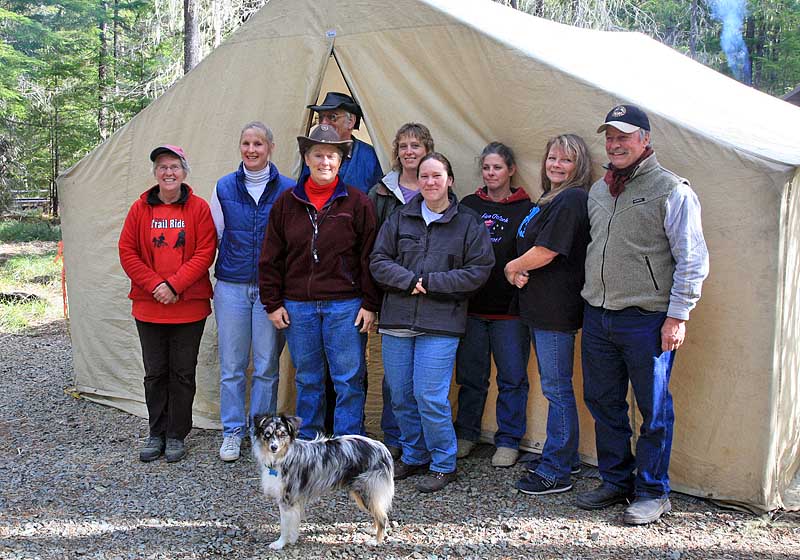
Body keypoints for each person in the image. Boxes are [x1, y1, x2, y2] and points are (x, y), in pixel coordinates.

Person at [576, 105, 709, 525]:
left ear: (645, 140)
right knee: (603, 401)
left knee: (652, 409)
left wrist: (678, 315)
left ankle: (653, 491)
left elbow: (692, 259)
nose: (615, 144)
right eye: (610, 137)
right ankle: (616, 480)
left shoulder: (673, 190)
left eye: (624, 137)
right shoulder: (600, 189)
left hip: (647, 318)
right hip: (598, 314)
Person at [370, 152, 494, 493]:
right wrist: (410, 281)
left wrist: (432, 283)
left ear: (450, 180)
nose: (430, 182)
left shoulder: (468, 223)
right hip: (397, 318)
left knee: (430, 395)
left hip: (441, 323)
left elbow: (479, 270)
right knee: (401, 395)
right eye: (424, 176)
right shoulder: (399, 218)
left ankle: (443, 462)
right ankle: (414, 454)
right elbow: (379, 260)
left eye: (437, 175)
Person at [258, 124, 380, 439]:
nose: (324, 162)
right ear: (307, 158)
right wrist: (272, 303)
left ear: (341, 161)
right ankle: (310, 443)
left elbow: (369, 257)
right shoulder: (287, 203)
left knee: (348, 380)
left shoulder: (357, 203)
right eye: (318, 155)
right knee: (309, 379)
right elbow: (271, 256)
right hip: (299, 307)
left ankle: (347, 443)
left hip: (346, 306)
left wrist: (369, 303)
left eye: (331, 156)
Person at [503, 134, 593, 493]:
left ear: (579, 167)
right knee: (553, 385)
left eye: (566, 160)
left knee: (557, 388)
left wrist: (513, 266)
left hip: (557, 308)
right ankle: (564, 455)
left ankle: (556, 470)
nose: (556, 165)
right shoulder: (548, 199)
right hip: (538, 306)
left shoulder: (572, 198)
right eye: (552, 158)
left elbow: (548, 250)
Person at [118, 145, 216, 463]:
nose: (168, 172)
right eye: (162, 167)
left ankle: (176, 434)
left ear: (184, 171)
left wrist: (174, 285)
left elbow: (205, 251)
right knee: (155, 373)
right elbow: (127, 251)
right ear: (156, 173)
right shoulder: (139, 209)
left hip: (189, 307)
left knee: (183, 373)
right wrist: (156, 285)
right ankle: (156, 432)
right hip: (149, 306)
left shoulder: (199, 208)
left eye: (174, 166)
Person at [210, 122, 294, 462]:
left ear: (270, 147)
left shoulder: (288, 189)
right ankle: (232, 430)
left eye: (258, 143)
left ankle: (261, 432)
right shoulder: (225, 186)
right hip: (231, 285)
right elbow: (214, 234)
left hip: (270, 291)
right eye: (245, 143)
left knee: (266, 365)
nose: (251, 149)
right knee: (231, 364)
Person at [453, 142, 532, 468]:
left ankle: (509, 439)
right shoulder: (469, 205)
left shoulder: (527, 208)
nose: (491, 173)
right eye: (486, 168)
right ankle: (467, 434)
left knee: (512, 378)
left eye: (497, 167)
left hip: (510, 311)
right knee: (471, 377)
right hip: (472, 308)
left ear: (511, 170)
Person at [367, 122, 435, 460]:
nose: (409, 152)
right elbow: (370, 248)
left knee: (425, 377)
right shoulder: (381, 192)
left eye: (416, 146)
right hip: (391, 293)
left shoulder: (436, 187)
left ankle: (423, 442)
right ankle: (394, 437)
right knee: (394, 374)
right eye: (404, 146)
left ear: (427, 151)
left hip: (433, 297)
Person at [305, 91, 382, 194]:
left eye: (332, 117)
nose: (324, 123)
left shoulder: (371, 157)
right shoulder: (310, 153)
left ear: (351, 122)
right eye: (321, 117)